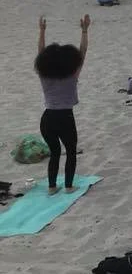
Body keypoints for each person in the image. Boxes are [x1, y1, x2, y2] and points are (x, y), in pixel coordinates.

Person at [35, 14, 89, 194]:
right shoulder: (72, 76)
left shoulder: (44, 75)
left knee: (55, 153)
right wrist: (84, 30)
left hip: (47, 118)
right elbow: (82, 53)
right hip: (65, 117)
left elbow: (41, 52)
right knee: (71, 152)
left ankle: (51, 187)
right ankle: (68, 186)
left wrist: (42, 31)